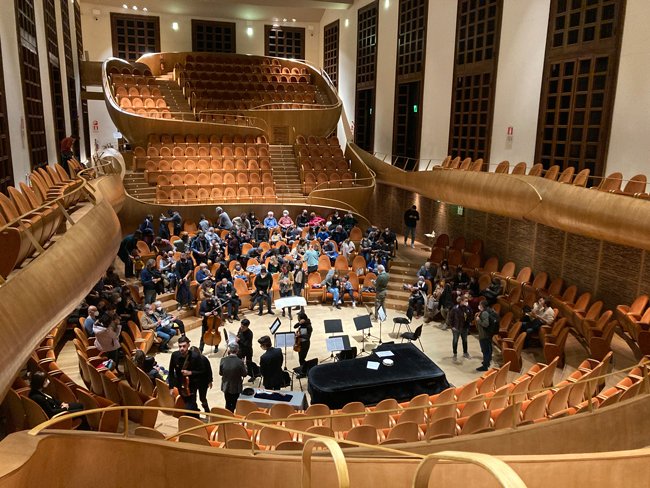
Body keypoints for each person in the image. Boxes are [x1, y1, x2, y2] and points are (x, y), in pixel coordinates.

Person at [168, 335, 203, 415]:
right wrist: (171, 387)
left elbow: (202, 371)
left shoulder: (195, 356)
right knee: (186, 404)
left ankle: (193, 418)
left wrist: (190, 373)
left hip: (192, 385)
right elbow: (171, 372)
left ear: (188, 345)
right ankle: (194, 415)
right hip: (180, 385)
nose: (182, 349)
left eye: (184, 346)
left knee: (190, 406)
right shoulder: (174, 355)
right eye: (180, 346)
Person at [219, 343, 247, 412]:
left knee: (227, 403)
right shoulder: (240, 362)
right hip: (236, 387)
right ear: (237, 350)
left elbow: (220, 373)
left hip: (226, 386)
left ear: (229, 350)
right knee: (235, 404)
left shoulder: (223, 360)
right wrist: (245, 365)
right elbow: (244, 374)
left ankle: (228, 416)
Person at [475, 300, 497, 371]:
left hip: (484, 335)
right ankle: (487, 362)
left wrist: (478, 320)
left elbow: (485, 324)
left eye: (480, 304)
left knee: (485, 350)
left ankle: (485, 366)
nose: (479, 306)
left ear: (482, 305)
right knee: (488, 349)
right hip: (488, 334)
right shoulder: (488, 310)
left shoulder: (484, 313)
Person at [449, 296, 472, 362]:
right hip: (457, 328)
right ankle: (455, 354)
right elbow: (450, 318)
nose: (466, 302)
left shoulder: (468, 308)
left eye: (467, 301)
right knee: (455, 341)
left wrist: (469, 323)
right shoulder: (455, 308)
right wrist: (452, 327)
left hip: (465, 328)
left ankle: (465, 353)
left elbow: (470, 315)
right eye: (465, 301)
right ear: (461, 301)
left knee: (465, 340)